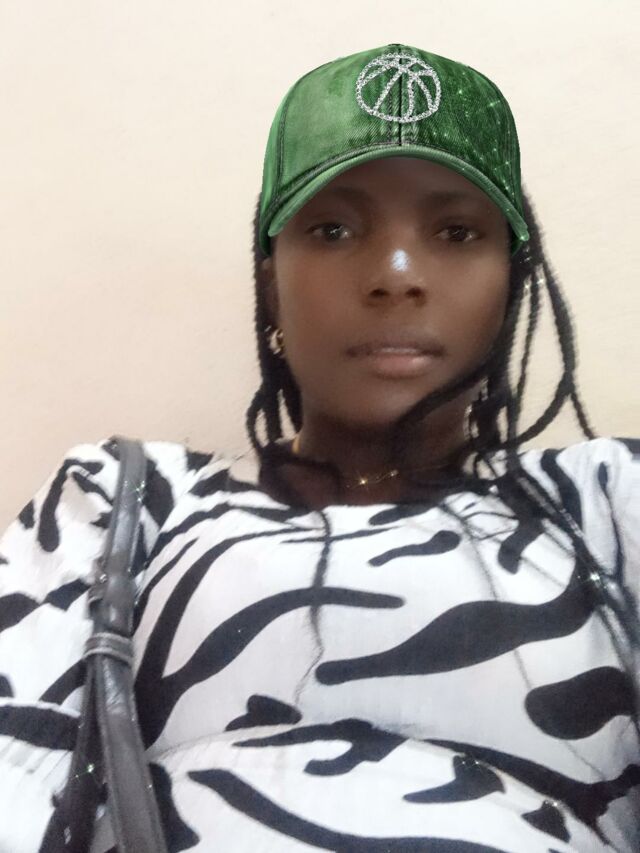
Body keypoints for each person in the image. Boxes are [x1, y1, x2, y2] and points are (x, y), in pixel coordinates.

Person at [0, 43, 638, 852]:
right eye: (333, 229)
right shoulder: (127, 496)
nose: (396, 273)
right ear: (271, 282)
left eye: (455, 231)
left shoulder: (608, 503)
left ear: (510, 284)